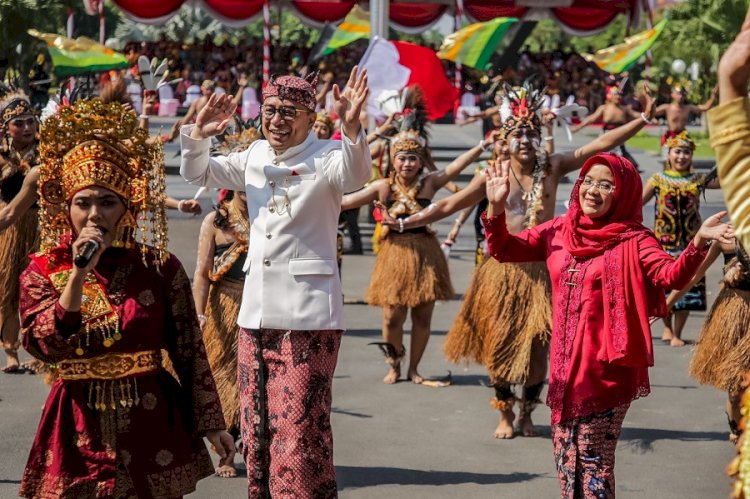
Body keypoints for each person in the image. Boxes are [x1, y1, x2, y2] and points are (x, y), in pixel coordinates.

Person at [384, 82, 657, 439]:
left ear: (539, 136)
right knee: (499, 344)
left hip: (544, 271)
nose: (525, 140)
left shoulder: (553, 166)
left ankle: (528, 411)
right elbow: (450, 205)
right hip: (500, 271)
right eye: (517, 134)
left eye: (531, 133)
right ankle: (505, 413)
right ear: (505, 137)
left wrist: (643, 119)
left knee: (539, 347)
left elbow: (598, 145)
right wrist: (407, 221)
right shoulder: (492, 173)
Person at [18, 98, 234, 498]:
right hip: (76, 423)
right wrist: (79, 273)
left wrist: (212, 422)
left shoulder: (159, 267)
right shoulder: (42, 269)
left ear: (127, 208)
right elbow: (44, 345)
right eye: (82, 203)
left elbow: (189, 350)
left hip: (151, 421)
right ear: (66, 209)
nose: (94, 214)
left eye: (107, 202)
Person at [482, 152, 731, 498]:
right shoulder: (558, 230)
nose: (593, 190)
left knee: (593, 463)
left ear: (623, 192)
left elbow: (670, 275)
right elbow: (504, 249)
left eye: (606, 184)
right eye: (588, 181)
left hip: (606, 371)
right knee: (568, 462)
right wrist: (496, 208)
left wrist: (699, 241)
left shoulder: (635, 239)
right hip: (566, 370)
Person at [180, 68, 370, 498]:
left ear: (308, 117)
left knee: (300, 424)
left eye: (289, 111)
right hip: (255, 314)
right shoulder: (253, 155)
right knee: (258, 422)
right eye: (270, 110)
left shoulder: (327, 156)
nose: (278, 120)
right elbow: (197, 173)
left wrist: (353, 125)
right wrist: (199, 132)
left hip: (308, 317)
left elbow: (356, 174)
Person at [340, 126, 494, 385]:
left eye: (413, 158)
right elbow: (345, 201)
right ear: (393, 159)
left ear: (421, 161)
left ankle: (414, 369)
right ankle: (394, 363)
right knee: (392, 316)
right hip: (394, 255)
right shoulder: (382, 187)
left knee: (422, 316)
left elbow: (454, 167)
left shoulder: (429, 184)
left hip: (425, 255)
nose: (407, 163)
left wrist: (481, 147)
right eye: (402, 157)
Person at [665, 238, 750, 443]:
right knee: (736, 389)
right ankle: (739, 435)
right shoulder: (726, 238)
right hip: (735, 318)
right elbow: (694, 276)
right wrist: (663, 306)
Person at [642, 131, 720, 346]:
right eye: (677, 151)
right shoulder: (657, 179)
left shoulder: (698, 179)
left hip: (692, 244)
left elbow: (726, 182)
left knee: (689, 288)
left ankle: (678, 332)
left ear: (691, 156)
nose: (681, 156)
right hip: (662, 244)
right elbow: (637, 202)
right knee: (663, 289)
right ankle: (666, 328)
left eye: (686, 152)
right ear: (669, 154)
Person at [193, 190, 251, 479]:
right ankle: (225, 452)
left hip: (260, 307)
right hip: (223, 308)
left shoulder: (273, 214)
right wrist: (199, 313)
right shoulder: (216, 221)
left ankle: (248, 445)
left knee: (248, 380)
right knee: (222, 380)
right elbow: (202, 273)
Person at [0, 88, 40, 373]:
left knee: (39, 291)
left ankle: (39, 351)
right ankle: (10, 351)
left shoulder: (48, 152)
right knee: (7, 291)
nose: (26, 127)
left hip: (40, 227)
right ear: (6, 127)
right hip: (8, 229)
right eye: (19, 122)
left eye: (31, 121)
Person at [571, 85, 643, 170]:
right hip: (606, 133)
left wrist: (647, 117)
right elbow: (592, 118)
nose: (618, 97)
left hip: (620, 134)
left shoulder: (624, 109)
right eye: (616, 94)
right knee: (602, 153)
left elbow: (636, 115)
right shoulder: (604, 108)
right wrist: (578, 127)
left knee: (620, 155)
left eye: (619, 95)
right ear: (610, 96)